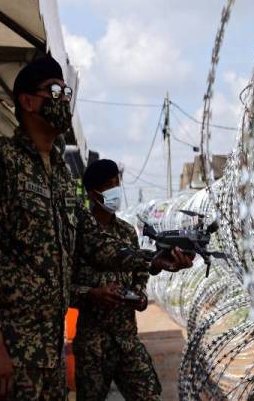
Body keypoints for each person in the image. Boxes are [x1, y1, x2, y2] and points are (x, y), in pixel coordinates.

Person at [0, 56, 193, 400]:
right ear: (27, 101)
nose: (63, 100)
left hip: (48, 351)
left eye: (65, 92)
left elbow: (95, 242)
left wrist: (155, 260)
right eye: (53, 91)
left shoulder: (61, 178)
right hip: (8, 347)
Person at [71, 159, 161, 400]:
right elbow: (62, 286)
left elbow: (139, 271)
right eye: (109, 186)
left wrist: (139, 294)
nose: (116, 191)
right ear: (93, 193)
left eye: (117, 184)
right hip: (93, 343)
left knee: (149, 395)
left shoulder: (126, 231)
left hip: (126, 339)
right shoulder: (78, 234)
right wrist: (92, 294)